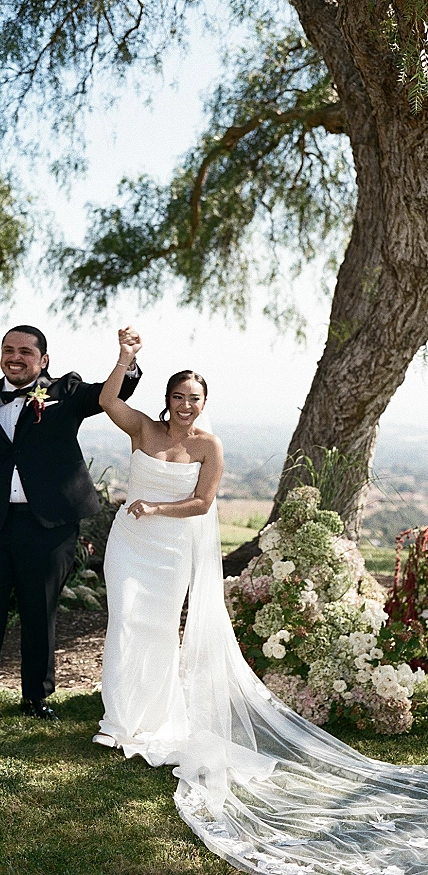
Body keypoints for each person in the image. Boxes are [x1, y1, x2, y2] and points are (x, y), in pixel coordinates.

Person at [94, 333, 428, 875]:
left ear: (204, 404)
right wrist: (125, 360)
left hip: (169, 542)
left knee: (156, 627)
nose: (185, 405)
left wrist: (155, 505)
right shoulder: (144, 429)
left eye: (194, 399)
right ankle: (120, 717)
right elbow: (108, 401)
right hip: (129, 545)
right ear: (167, 399)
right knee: (124, 623)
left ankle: (153, 716)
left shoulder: (210, 445)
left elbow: (202, 502)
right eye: (179, 396)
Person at [0, 324, 141, 733]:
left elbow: (112, 394)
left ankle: (36, 697)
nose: (16, 357)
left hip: (48, 524)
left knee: (40, 612)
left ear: (43, 360)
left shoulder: (66, 392)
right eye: (8, 350)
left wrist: (128, 359)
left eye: (25, 352)